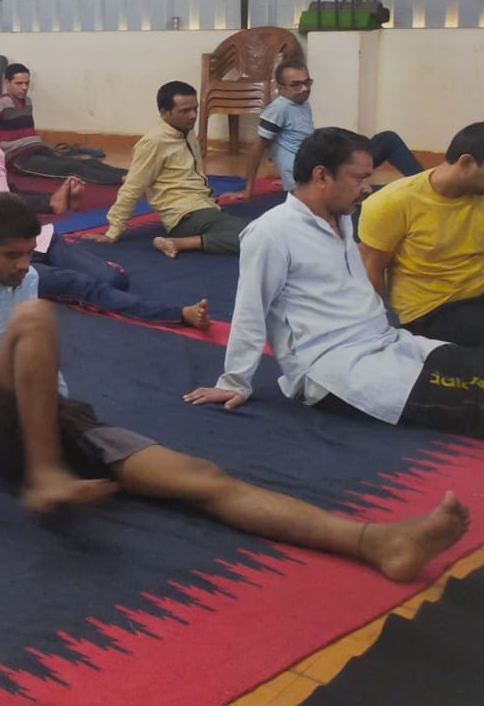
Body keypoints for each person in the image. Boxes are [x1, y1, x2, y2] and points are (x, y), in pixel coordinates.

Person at [0, 194, 468, 583]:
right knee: (36, 320)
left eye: (29, 254)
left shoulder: (25, 277)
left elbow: (59, 308)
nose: (23, 266)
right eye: (10, 257)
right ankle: (47, 475)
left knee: (207, 480)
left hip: (59, 416)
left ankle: (374, 541)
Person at [188, 128, 484, 441]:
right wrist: (234, 382)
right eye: (359, 178)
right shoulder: (270, 233)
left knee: (473, 365)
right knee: (473, 404)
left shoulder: (341, 218)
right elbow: (250, 310)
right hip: (334, 368)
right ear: (322, 176)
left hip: (387, 342)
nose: (367, 188)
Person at [0, 97, 208, 329]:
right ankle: (176, 314)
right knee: (81, 284)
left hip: (39, 240)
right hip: (1, 262)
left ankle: (81, 271)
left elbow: (8, 201)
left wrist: (54, 202)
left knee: (113, 280)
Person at [358, 121, 484, 348]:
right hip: (430, 311)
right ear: (466, 162)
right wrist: (374, 337)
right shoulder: (392, 203)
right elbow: (371, 272)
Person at [89, 81, 247, 259]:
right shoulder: (154, 142)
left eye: (195, 109)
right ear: (165, 113)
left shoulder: (186, 132)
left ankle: (187, 240)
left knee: (261, 231)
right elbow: (133, 186)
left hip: (203, 206)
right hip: (185, 216)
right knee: (256, 236)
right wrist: (113, 231)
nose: (193, 116)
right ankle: (182, 243)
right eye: (185, 111)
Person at [241, 61, 423, 197]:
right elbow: (257, 148)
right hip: (316, 177)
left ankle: (425, 184)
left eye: (307, 82)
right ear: (280, 88)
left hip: (320, 165)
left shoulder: (301, 103)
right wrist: (249, 189)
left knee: (378, 141)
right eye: (295, 85)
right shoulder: (278, 109)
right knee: (389, 141)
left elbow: (295, 141)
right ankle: (427, 186)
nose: (304, 89)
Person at [0, 64, 125, 185]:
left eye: (27, 83)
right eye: (19, 83)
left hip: (37, 148)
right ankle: (121, 180)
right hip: (18, 157)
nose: (24, 87)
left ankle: (131, 175)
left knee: (87, 162)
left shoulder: (28, 101)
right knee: (72, 168)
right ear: (7, 83)